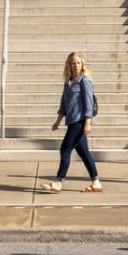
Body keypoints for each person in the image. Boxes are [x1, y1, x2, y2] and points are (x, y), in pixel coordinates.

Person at [43, 51, 102, 193]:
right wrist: (57, 121)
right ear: (69, 65)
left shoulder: (85, 81)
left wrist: (88, 122)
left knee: (65, 149)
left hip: (79, 122)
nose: (76, 65)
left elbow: (88, 103)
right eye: (73, 63)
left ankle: (58, 182)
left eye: (78, 63)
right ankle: (96, 182)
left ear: (82, 64)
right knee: (84, 153)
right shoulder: (68, 82)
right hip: (71, 121)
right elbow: (64, 104)